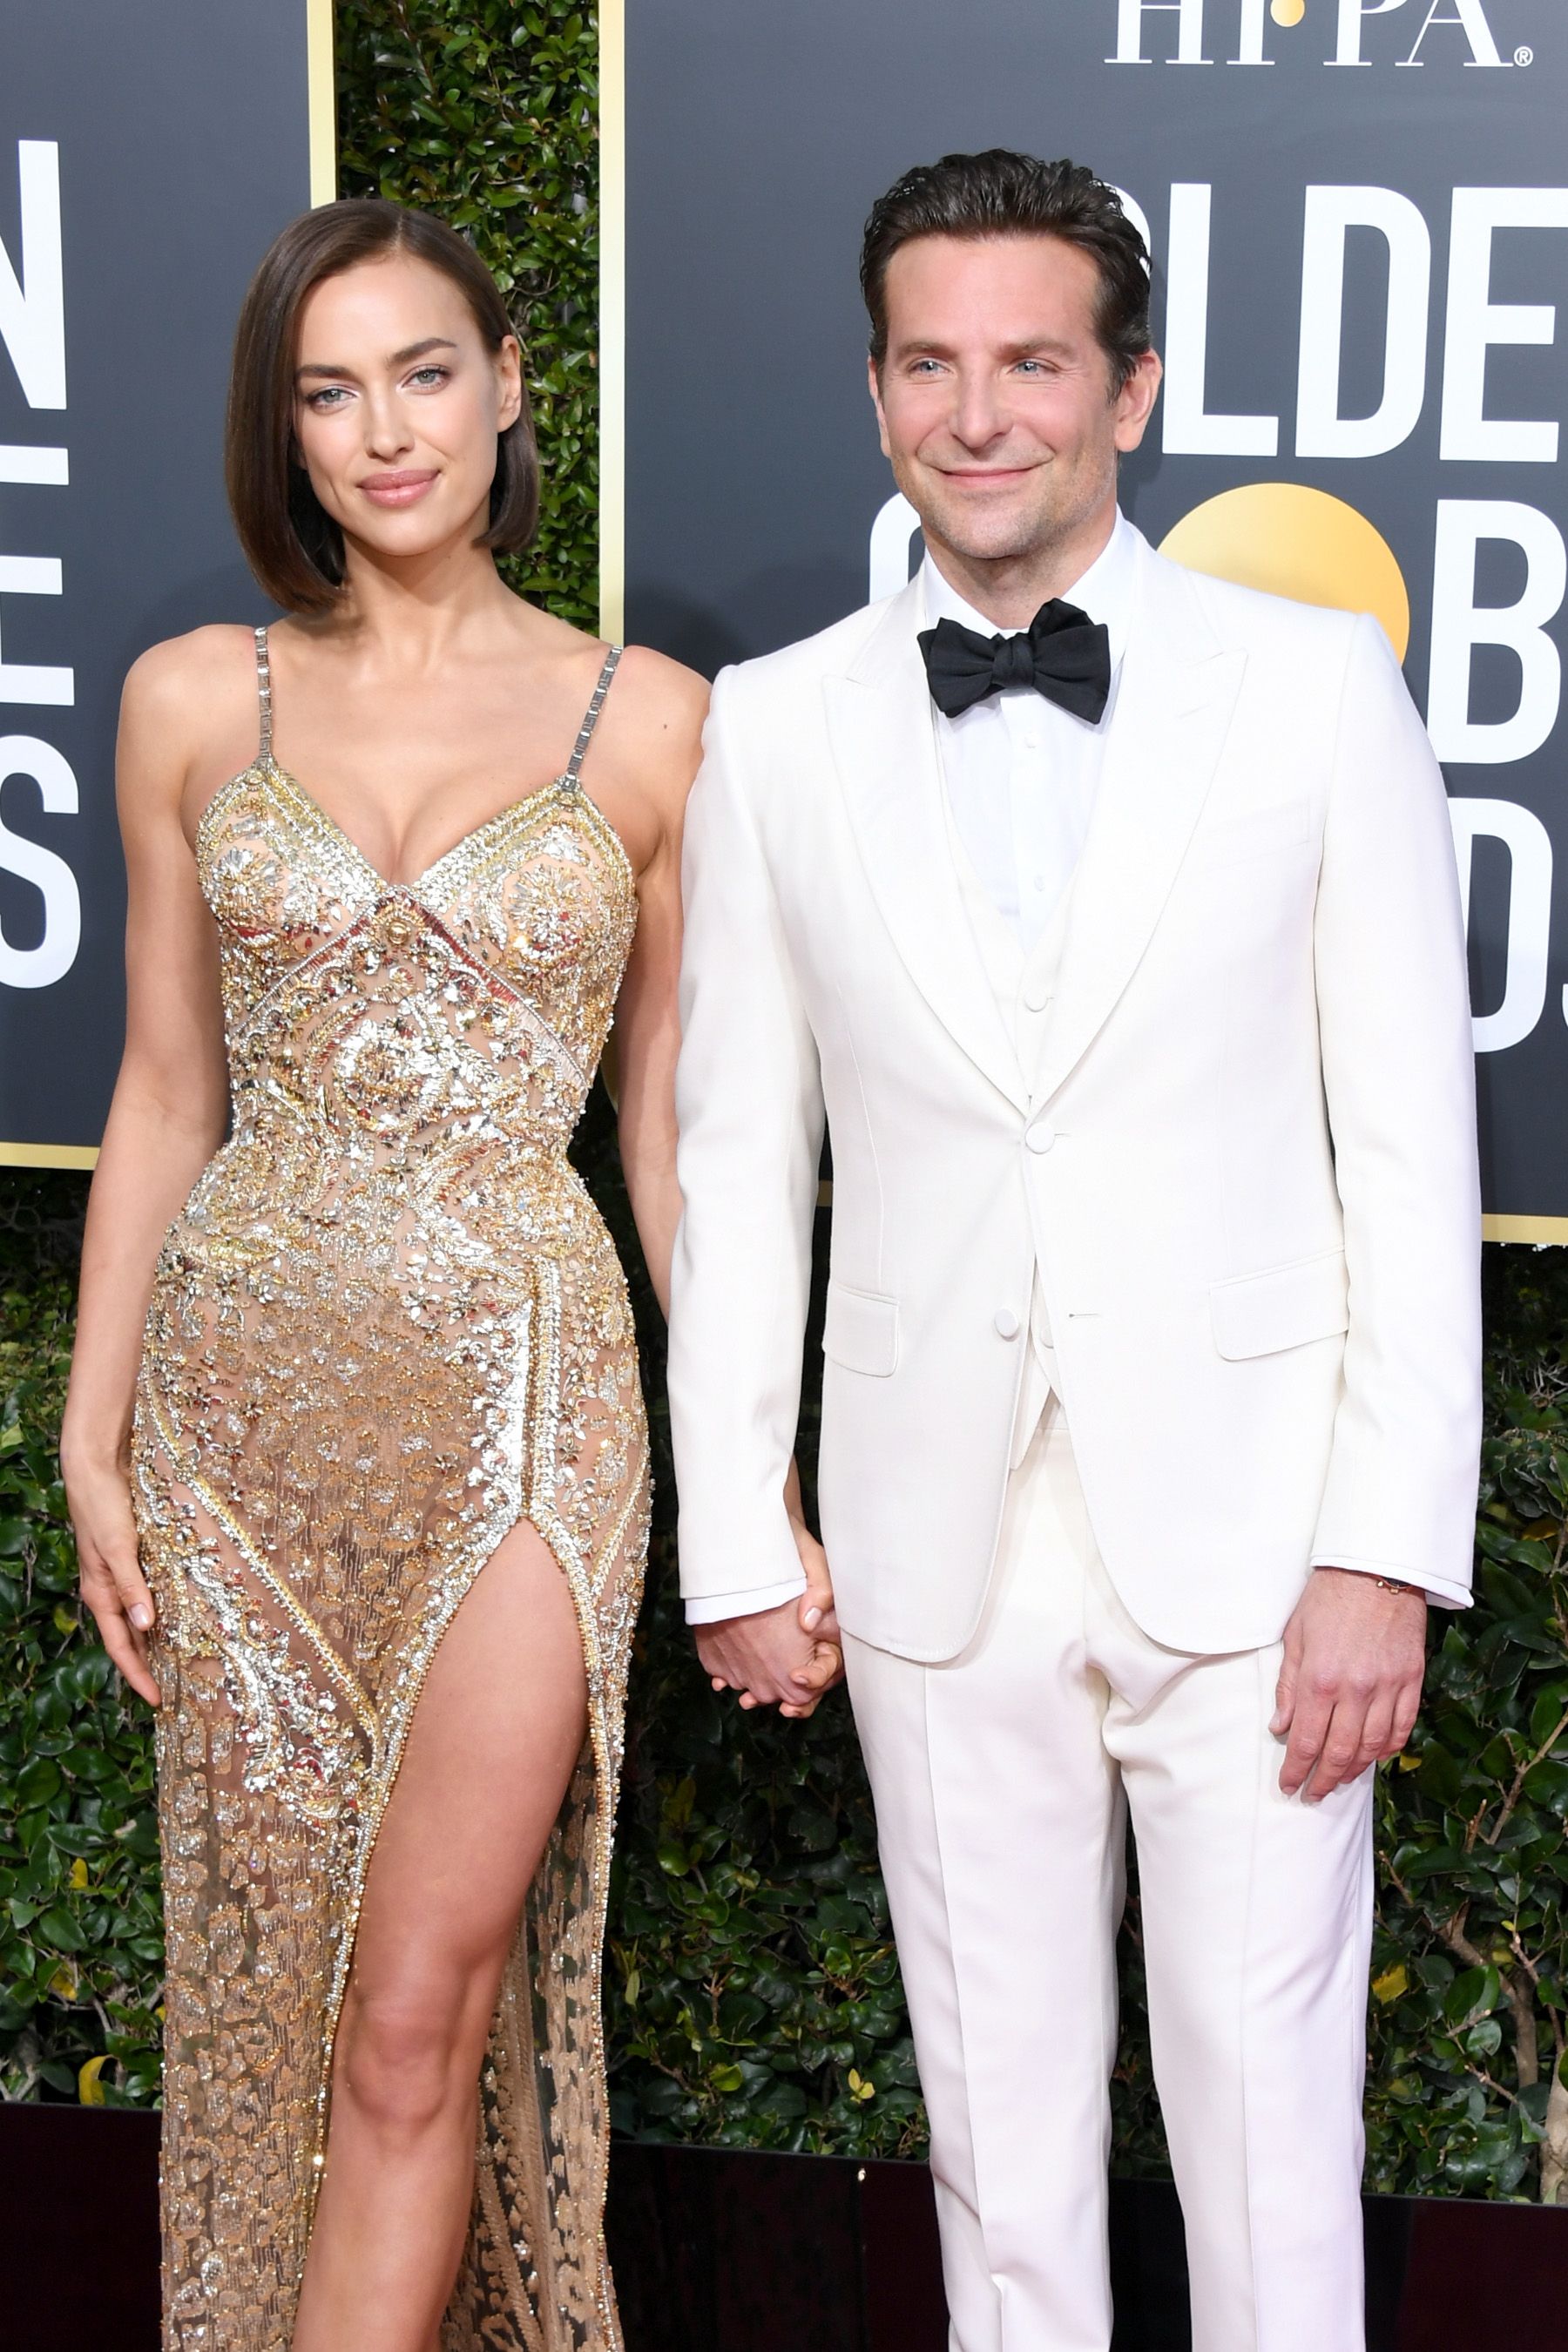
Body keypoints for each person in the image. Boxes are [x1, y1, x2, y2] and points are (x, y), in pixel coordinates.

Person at [667, 151, 1482, 2350]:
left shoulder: (1316, 693)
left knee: (1271, 2149)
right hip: (935, 1540)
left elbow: (1410, 1147)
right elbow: (738, 1156)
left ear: (1131, 389)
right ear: (874, 393)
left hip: (1254, 1538)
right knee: (997, 2157)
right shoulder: (773, 728)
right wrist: (737, 1527)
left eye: (1034, 361)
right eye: (931, 363)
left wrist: (1383, 1549)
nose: (980, 412)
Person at [58, 198, 828, 2352]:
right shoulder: (195, 701)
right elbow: (160, 1094)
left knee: (415, 2015)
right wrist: (87, 1426)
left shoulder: (659, 723)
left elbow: (671, 1148)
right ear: (284, 436)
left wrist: (751, 1474)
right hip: (240, 1416)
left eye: (420, 374)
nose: (382, 432)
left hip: (525, 1395)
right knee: (281, 2013)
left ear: (508, 381)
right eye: (327, 392)